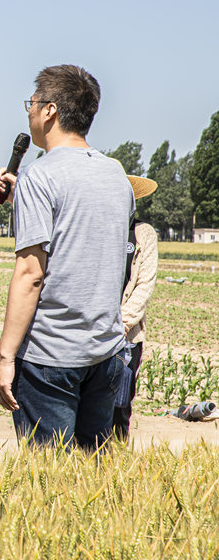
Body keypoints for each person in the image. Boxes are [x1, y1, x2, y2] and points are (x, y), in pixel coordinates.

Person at [0, 65, 133, 450]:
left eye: (32, 105)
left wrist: (6, 357)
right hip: (105, 350)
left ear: (50, 110)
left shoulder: (40, 175)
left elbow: (31, 274)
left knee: (49, 482)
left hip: (51, 354)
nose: (30, 113)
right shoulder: (116, 174)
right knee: (92, 474)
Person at [115, 176, 159, 438]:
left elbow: (145, 283)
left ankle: (116, 458)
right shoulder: (96, 227)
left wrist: (123, 322)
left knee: (119, 406)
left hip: (126, 334)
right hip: (93, 332)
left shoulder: (143, 232)